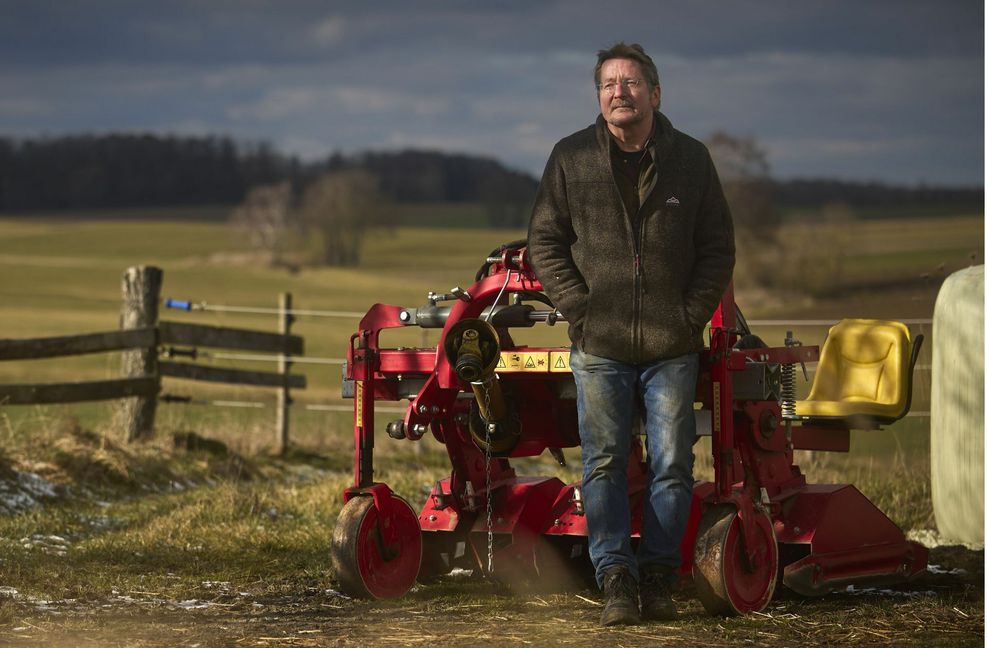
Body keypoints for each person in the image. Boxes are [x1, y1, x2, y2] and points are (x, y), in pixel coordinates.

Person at [527, 42, 735, 626]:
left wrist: (689, 315)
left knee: (672, 465)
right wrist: (578, 309)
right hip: (600, 344)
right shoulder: (570, 158)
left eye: (632, 81)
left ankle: (659, 576)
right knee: (603, 464)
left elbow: (718, 246)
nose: (620, 91)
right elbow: (544, 241)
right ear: (599, 96)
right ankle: (615, 577)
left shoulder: (690, 161)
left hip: (672, 345)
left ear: (655, 93)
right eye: (609, 83)